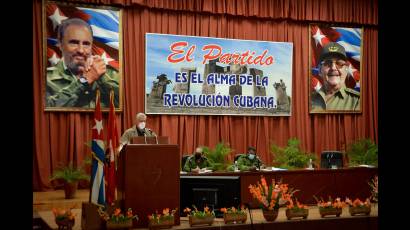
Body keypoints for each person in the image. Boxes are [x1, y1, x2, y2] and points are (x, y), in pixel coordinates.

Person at [46, 18, 120, 108]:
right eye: (74, 43)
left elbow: (127, 106)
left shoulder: (110, 75)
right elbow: (47, 109)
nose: (81, 50)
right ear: (60, 44)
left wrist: (102, 78)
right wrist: (84, 81)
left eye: (86, 44)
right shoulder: (45, 78)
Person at [311, 42, 360, 111]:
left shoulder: (358, 101)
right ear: (319, 70)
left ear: (346, 70)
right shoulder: (308, 101)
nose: (333, 68)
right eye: (327, 63)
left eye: (339, 63)